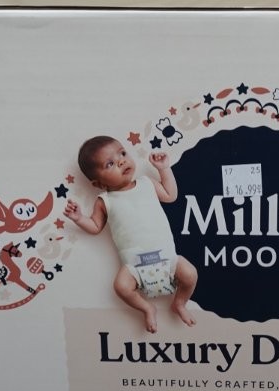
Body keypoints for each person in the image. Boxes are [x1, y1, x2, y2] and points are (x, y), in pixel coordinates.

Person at [65, 136, 198, 333]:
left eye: (122, 153)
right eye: (110, 164)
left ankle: (179, 303)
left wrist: (164, 169)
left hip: (168, 258)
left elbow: (171, 196)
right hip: (135, 266)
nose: (121, 161)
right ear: (98, 183)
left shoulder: (147, 183)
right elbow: (95, 226)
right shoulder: (105, 201)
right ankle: (147, 308)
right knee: (121, 287)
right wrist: (79, 218)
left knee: (190, 274)